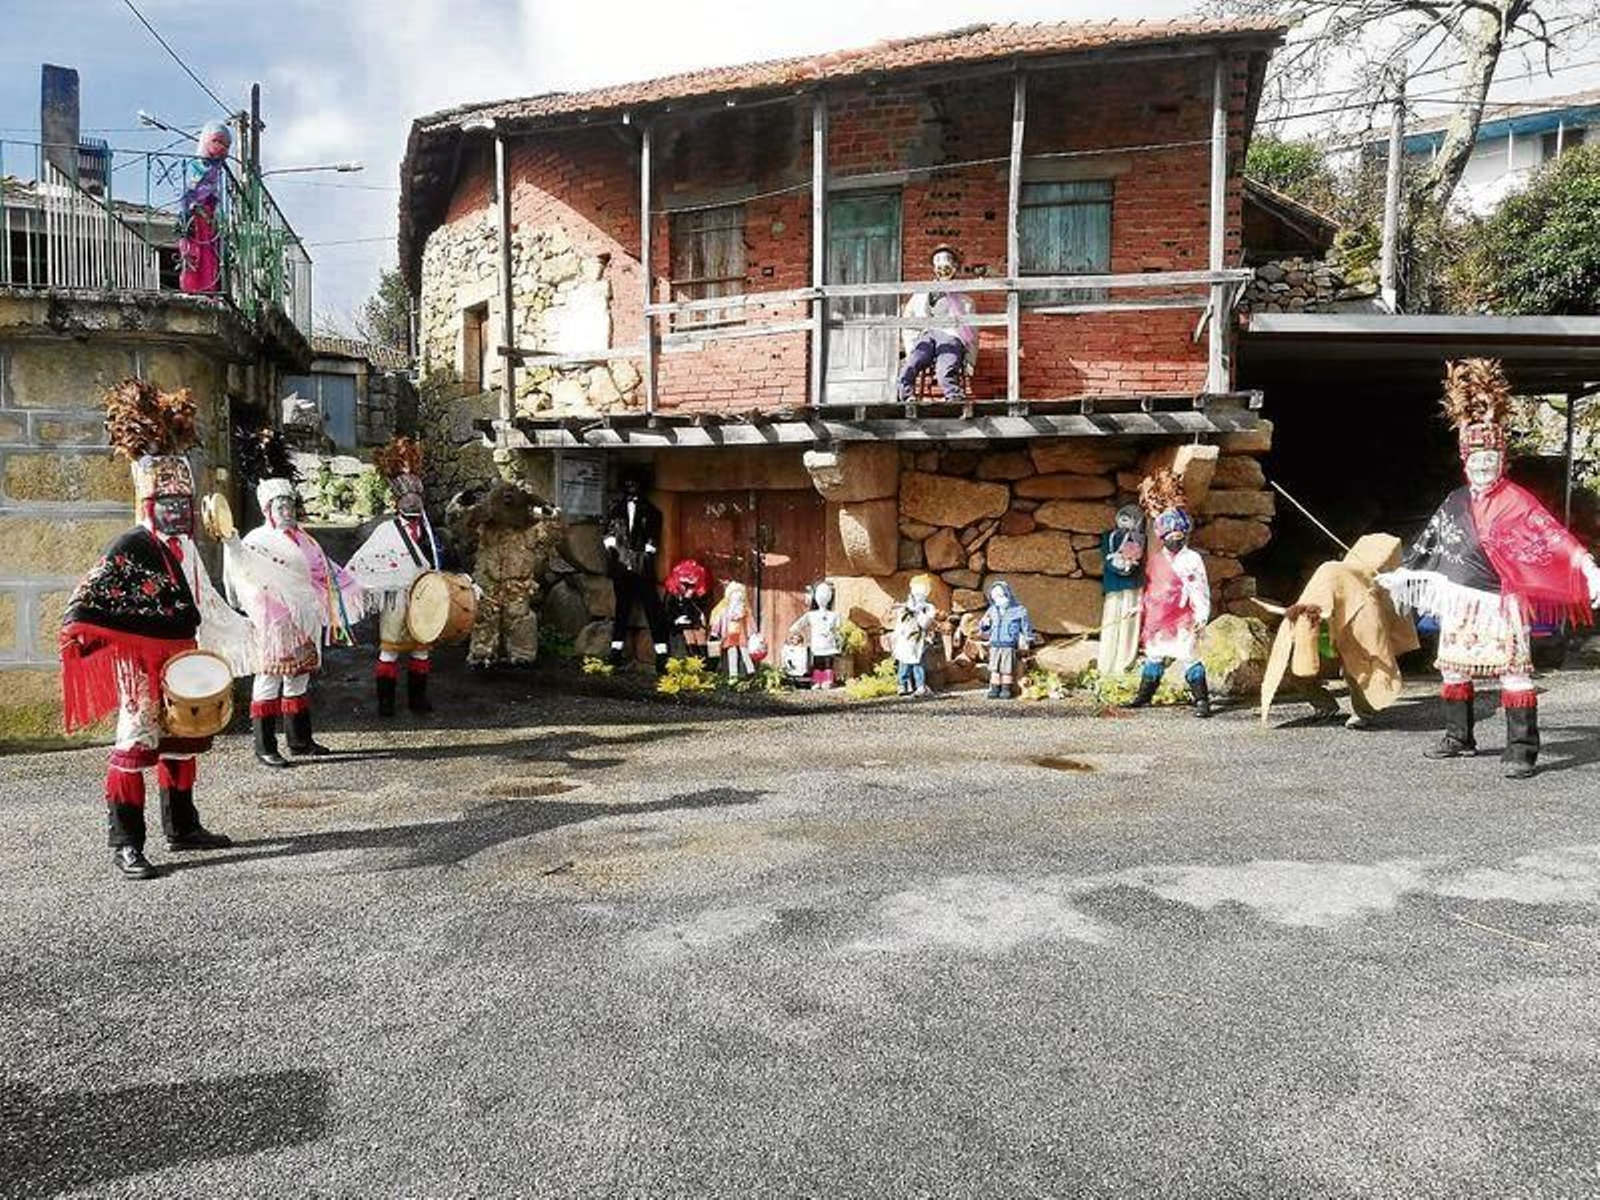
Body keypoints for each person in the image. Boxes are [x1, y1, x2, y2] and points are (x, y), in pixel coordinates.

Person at [59, 380, 254, 880]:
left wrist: (246, 631)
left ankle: (183, 827)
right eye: (168, 505)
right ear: (150, 505)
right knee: (135, 743)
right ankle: (126, 842)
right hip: (141, 667)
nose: (178, 513)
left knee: (184, 741)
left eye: (184, 505)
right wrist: (82, 630)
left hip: (181, 659)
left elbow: (205, 601)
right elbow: (90, 595)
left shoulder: (187, 548)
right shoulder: (133, 544)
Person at [1378, 359, 1600, 779]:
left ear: (1502, 460)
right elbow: (1431, 541)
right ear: (1465, 460)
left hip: (1502, 601)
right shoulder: (1456, 500)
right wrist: (1404, 573)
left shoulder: (1518, 501)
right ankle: (1458, 736)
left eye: (1491, 459)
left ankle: (1522, 749)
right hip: (1461, 600)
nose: (1483, 466)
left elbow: (1552, 536)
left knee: (1514, 673)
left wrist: (1586, 565)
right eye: (1476, 459)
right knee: (1454, 667)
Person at [225, 476, 364, 768]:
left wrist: (353, 586)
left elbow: (323, 570)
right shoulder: (257, 542)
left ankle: (300, 740)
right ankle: (265, 746)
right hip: (273, 622)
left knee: (299, 678)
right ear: (267, 511)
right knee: (269, 679)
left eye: (289, 506)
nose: (286, 511)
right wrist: (277, 613)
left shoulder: (306, 539)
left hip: (306, 617)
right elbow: (247, 579)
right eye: (280, 507)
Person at [1260, 534, 1420, 730]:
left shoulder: (1363, 591)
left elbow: (1374, 642)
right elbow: (1307, 607)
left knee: (1359, 669)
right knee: (1296, 667)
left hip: (1350, 632)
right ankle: (1325, 705)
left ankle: (1363, 713)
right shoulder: (1323, 578)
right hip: (1322, 633)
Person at [346, 437, 446, 715]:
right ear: (398, 500)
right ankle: (386, 704)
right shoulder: (385, 531)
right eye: (407, 497)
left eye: (417, 497)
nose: (413, 501)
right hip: (395, 599)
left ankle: (418, 700)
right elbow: (366, 561)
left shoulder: (429, 531)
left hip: (424, 598)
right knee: (389, 649)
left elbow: (444, 558)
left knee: (421, 649)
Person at [1127, 468, 1212, 717]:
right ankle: (1144, 696)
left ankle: (1202, 700)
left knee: (1188, 655)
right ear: (1163, 537)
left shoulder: (1192, 559)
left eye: (1178, 535)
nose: (1174, 539)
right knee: (1153, 656)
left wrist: (1201, 616)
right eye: (1170, 535)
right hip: (1157, 619)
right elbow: (1152, 589)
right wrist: (1140, 607)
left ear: (1184, 534)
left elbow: (1199, 589)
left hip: (1181, 618)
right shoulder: (1155, 559)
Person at [462, 482, 561, 670]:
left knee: (519, 618)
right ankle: (482, 655)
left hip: (518, 582)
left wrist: (550, 511)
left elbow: (554, 533)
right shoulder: (485, 524)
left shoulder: (531, 525)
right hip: (489, 579)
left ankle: (522, 655)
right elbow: (460, 523)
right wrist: (464, 503)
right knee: (485, 617)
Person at [603, 469, 670, 671]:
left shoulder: (651, 511)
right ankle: (615, 652)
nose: (632, 487)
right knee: (622, 608)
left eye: (635, 483)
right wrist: (612, 547)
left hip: (642, 567)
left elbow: (653, 538)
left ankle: (661, 654)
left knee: (653, 608)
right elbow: (607, 532)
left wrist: (646, 555)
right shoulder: (615, 509)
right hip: (621, 565)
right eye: (629, 483)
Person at [896, 245, 977, 405]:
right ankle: (906, 396)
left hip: (951, 336)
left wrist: (970, 359)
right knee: (911, 364)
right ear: (934, 268)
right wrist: (911, 345)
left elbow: (973, 332)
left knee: (945, 368)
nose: (943, 268)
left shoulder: (966, 302)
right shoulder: (921, 295)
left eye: (947, 263)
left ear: (954, 267)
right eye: (938, 263)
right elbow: (908, 320)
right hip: (926, 335)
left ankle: (954, 397)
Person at [1098, 504, 1146, 676]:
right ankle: (1106, 664)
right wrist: (1117, 564)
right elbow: (1107, 553)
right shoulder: (1108, 537)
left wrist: (1130, 563)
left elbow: (1140, 557)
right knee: (1111, 618)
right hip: (1114, 583)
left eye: (1131, 517)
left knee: (1129, 621)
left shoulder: (1141, 538)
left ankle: (1123, 664)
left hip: (1133, 584)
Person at [978, 581, 1033, 700]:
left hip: (1008, 645)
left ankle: (1005, 688)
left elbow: (1025, 627)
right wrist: (985, 625)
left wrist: (1027, 640)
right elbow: (983, 627)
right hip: (995, 644)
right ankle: (994, 688)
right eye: (995, 597)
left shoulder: (1019, 610)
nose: (999, 599)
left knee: (1006, 669)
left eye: (1001, 596)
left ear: (1008, 594)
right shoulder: (992, 610)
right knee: (994, 668)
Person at [788, 580, 843, 689]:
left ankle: (823, 680)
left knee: (823, 662)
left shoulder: (830, 615)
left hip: (825, 645)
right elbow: (796, 626)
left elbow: (839, 630)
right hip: (822, 645)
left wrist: (839, 642)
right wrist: (796, 635)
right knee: (821, 662)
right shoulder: (817, 615)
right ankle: (821, 680)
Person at [891, 574, 938, 696]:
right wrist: (895, 636)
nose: (918, 595)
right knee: (904, 661)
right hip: (905, 638)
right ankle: (903, 685)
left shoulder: (928, 608)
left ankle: (920, 686)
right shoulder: (904, 607)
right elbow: (900, 623)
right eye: (916, 592)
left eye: (922, 593)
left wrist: (917, 611)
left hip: (918, 639)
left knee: (917, 662)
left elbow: (925, 624)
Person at [664, 558, 712, 662]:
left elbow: (699, 611)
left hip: (695, 622)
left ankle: (703, 659)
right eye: (684, 583)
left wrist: (688, 598)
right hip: (678, 624)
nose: (686, 587)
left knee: (699, 631)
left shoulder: (698, 595)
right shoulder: (672, 594)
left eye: (690, 585)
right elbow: (668, 611)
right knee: (688, 631)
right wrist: (677, 619)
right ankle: (693, 657)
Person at [709, 581, 757, 680]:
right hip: (729, 634)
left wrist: (752, 633)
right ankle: (733, 674)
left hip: (742, 634)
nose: (737, 597)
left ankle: (750, 671)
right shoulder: (725, 610)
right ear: (730, 596)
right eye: (734, 595)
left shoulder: (745, 610)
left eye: (739, 595)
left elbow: (750, 622)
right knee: (732, 653)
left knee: (745, 652)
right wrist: (715, 631)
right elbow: (719, 620)